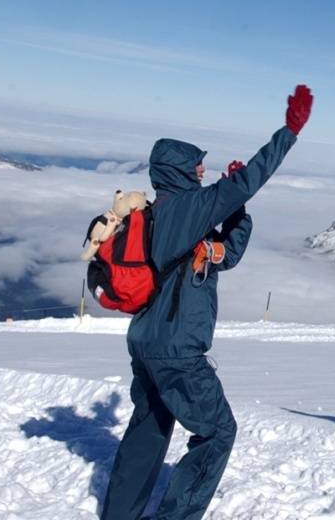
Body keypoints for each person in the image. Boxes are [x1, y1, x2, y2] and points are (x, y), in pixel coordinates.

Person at [100, 85, 313, 520]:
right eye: (196, 163)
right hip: (177, 349)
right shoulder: (190, 208)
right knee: (217, 432)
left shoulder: (155, 215)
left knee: (150, 428)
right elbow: (253, 175)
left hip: (145, 342)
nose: (202, 169)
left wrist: (236, 209)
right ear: (178, 171)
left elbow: (226, 256)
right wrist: (288, 132)